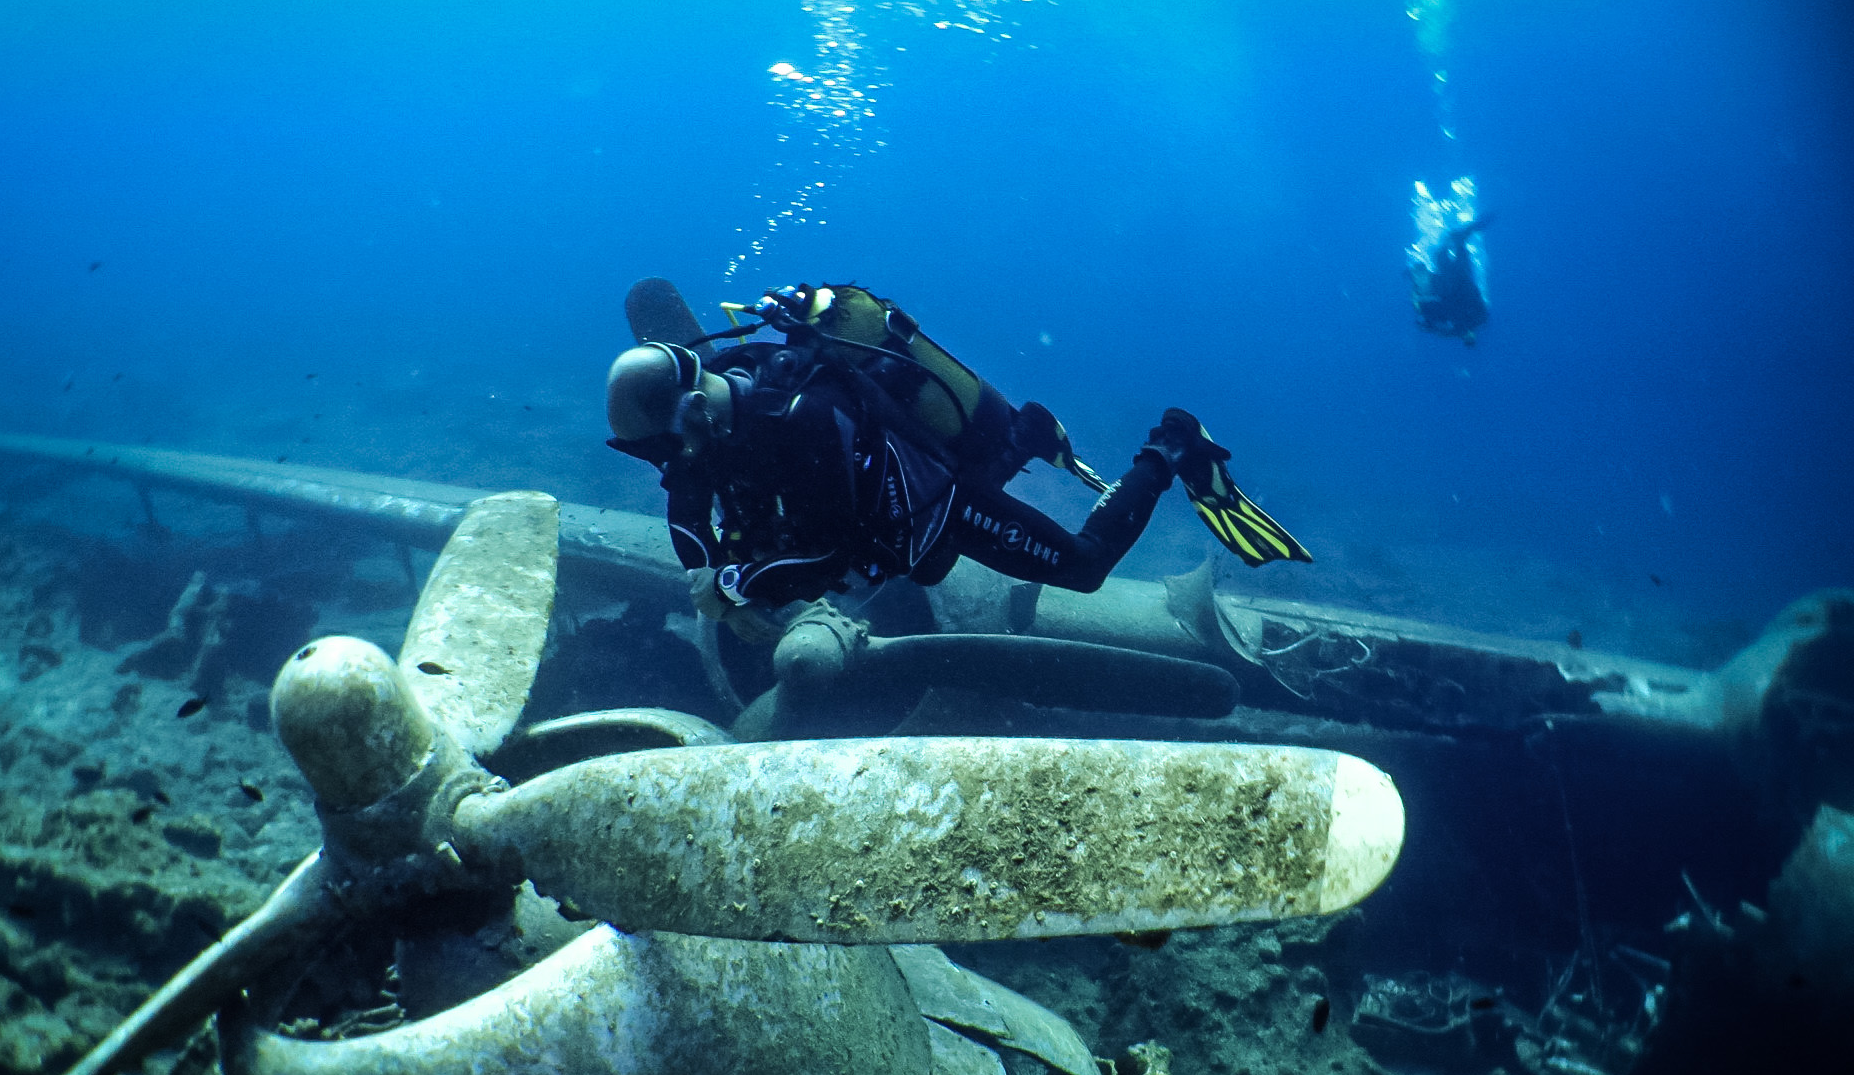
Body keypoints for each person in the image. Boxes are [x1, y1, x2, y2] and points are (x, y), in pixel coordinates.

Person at [605, 280, 1309, 638]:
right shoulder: (708, 406)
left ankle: (1171, 445)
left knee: (1082, 569)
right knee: (925, 563)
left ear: (690, 411)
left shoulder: (803, 421)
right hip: (882, 507)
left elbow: (826, 553)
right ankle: (1020, 437)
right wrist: (705, 574)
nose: (664, 465)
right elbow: (685, 497)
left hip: (932, 501)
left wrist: (731, 588)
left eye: (661, 449)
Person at [1410, 212, 1493, 344]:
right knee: (1448, 258)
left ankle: (1456, 238)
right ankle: (1457, 238)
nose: (1468, 335)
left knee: (1444, 258)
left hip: (1453, 285)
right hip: (1457, 285)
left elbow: (1437, 315)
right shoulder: (1475, 321)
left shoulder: (1458, 326)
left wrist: (1428, 321)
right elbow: (1439, 314)